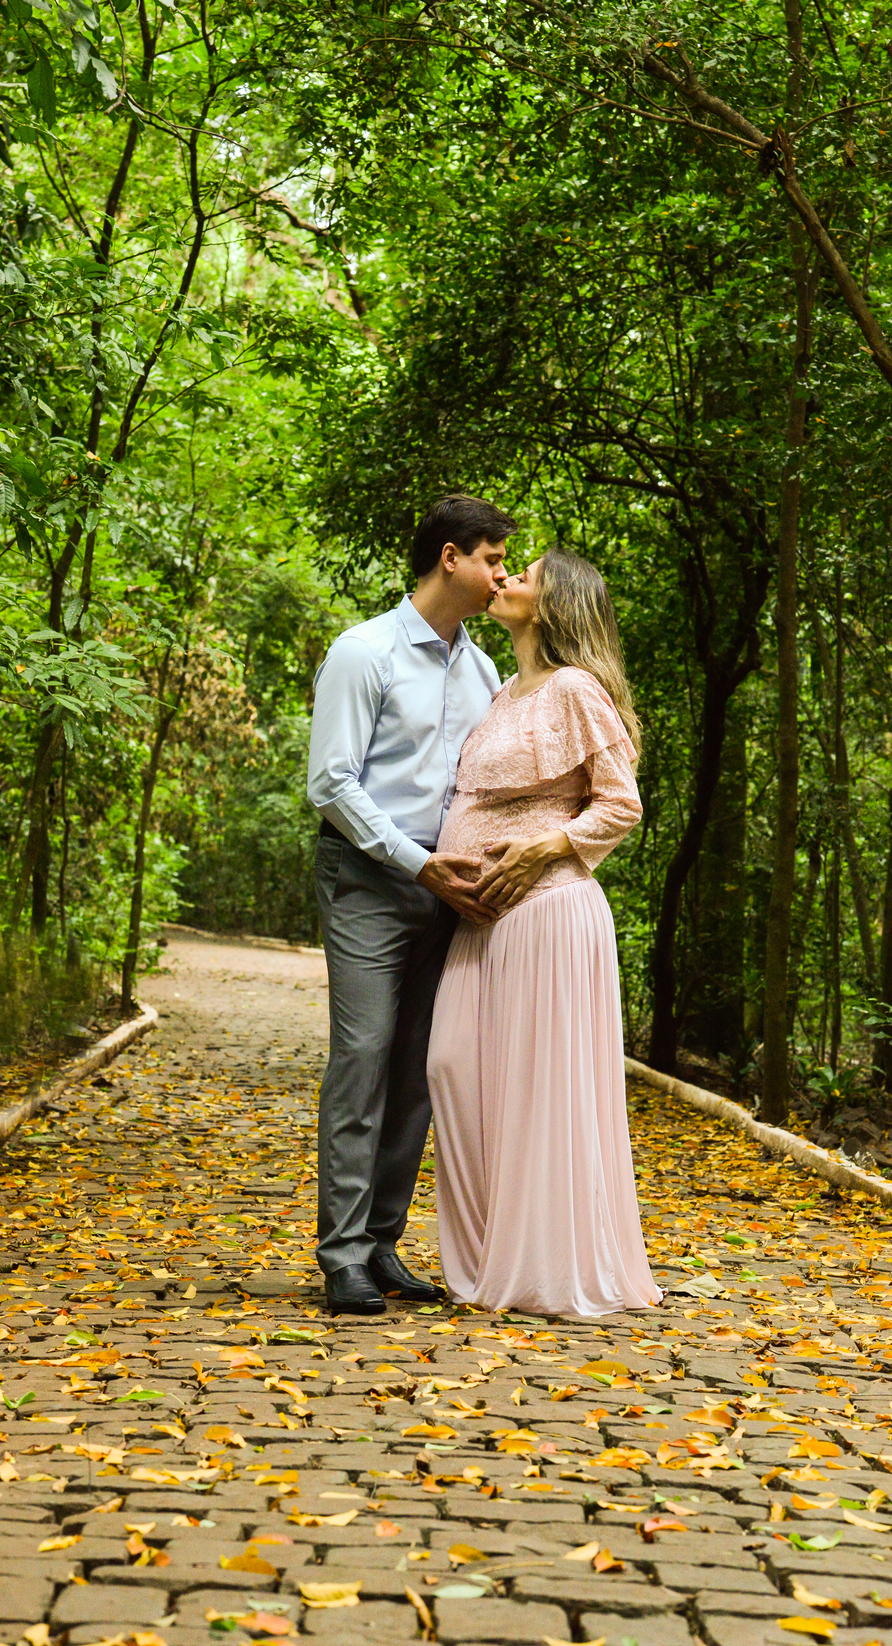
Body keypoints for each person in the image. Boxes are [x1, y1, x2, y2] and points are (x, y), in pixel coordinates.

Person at [427, 547, 661, 1316]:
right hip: (481, 919)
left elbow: (620, 803)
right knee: (452, 1068)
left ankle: (541, 1270)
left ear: (554, 604)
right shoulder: (503, 691)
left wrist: (548, 846)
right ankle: (485, 1261)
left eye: (522, 575)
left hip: (548, 911)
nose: (505, 580)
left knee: (536, 1091)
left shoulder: (576, 689)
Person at [306, 494, 517, 1315]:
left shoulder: (483, 671)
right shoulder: (364, 652)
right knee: (363, 1056)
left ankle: (381, 1244)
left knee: (422, 1066)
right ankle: (342, 1256)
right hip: (369, 878)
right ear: (450, 558)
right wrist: (414, 863)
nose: (502, 576)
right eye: (493, 559)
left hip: (452, 889)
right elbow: (332, 783)